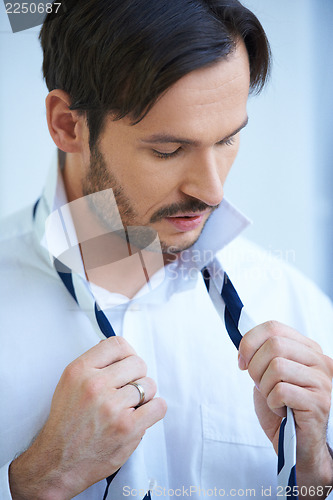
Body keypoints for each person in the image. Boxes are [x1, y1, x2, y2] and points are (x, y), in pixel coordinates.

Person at [1, 0, 333, 499]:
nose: (213, 191)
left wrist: (315, 474)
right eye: (168, 150)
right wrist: (35, 483)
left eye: (227, 140)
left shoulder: (296, 308)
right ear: (68, 126)